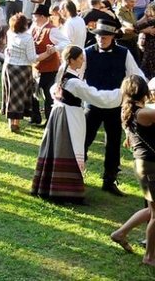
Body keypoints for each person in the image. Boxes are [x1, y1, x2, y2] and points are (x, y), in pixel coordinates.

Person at [30, 46, 121, 203]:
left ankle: (49, 185)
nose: (82, 60)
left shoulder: (62, 75)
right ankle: (65, 191)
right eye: (79, 58)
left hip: (59, 114)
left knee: (58, 149)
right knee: (68, 149)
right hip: (69, 117)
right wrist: (122, 92)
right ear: (71, 60)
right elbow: (97, 97)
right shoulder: (74, 83)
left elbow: (53, 90)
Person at [83, 19, 145, 196]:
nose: (101, 39)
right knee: (84, 140)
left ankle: (109, 180)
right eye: (98, 36)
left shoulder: (123, 53)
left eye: (105, 36)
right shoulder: (87, 53)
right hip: (92, 104)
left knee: (113, 143)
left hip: (115, 105)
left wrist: (146, 89)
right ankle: (77, 174)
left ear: (112, 36)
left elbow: (136, 74)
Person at [109, 75, 155, 263]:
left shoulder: (128, 111)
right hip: (150, 165)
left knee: (152, 210)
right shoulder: (143, 113)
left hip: (144, 164)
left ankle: (120, 233)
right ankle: (150, 257)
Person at [2, 15, 56, 133]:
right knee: (19, 96)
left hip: (8, 67)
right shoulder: (27, 38)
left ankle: (11, 122)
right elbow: (32, 58)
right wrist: (47, 53)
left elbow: (8, 48)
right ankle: (15, 123)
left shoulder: (10, 33)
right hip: (21, 70)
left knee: (11, 95)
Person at [30, 3, 69, 125]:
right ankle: (35, 117)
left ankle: (49, 120)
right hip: (36, 67)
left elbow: (66, 42)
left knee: (48, 95)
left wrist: (55, 48)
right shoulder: (34, 27)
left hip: (49, 68)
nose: (33, 18)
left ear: (42, 16)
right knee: (32, 93)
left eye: (35, 16)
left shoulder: (52, 30)